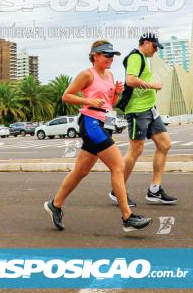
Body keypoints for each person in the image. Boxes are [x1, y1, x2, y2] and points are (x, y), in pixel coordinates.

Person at [44, 40, 152, 233]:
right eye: (106, 55)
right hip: (90, 124)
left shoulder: (110, 75)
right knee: (118, 166)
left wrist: (116, 94)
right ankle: (127, 216)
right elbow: (66, 96)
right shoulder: (87, 74)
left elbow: (109, 103)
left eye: (112, 55)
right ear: (95, 56)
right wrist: (89, 100)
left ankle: (55, 204)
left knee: (81, 171)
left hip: (105, 123)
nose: (110, 58)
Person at [114, 33, 177, 205]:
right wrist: (153, 85)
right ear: (146, 43)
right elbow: (131, 80)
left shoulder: (143, 58)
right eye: (155, 47)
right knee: (136, 150)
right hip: (137, 111)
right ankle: (117, 190)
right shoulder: (136, 56)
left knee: (164, 144)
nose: (156, 51)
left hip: (150, 110)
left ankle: (154, 190)